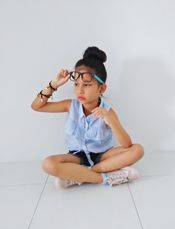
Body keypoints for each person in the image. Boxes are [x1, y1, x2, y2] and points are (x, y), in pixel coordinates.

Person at [31, 46, 144, 188]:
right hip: (76, 157)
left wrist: (109, 119)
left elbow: (127, 145)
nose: (80, 90)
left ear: (101, 88)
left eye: (87, 84)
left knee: (138, 150)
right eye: (76, 84)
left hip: (103, 157)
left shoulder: (108, 111)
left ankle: (79, 175)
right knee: (48, 163)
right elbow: (37, 106)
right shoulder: (70, 106)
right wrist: (54, 84)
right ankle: (106, 177)